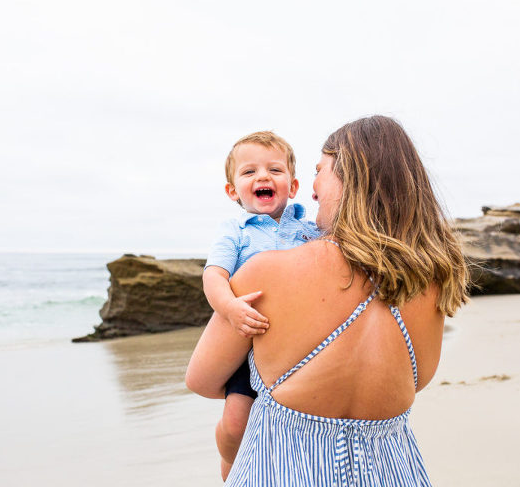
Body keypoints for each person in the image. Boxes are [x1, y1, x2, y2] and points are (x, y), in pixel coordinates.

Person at [187, 115, 469, 486]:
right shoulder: (430, 281)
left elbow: (203, 380)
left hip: (279, 470)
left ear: (350, 179)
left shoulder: (265, 271)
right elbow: (418, 381)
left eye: (319, 171)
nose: (313, 187)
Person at [202, 130, 320, 480]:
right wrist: (230, 309)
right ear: (232, 191)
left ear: (294, 186)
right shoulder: (235, 231)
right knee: (237, 421)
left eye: (275, 170)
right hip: (247, 338)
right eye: (249, 172)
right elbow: (213, 276)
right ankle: (229, 460)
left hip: (294, 344)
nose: (263, 177)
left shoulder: (310, 230)